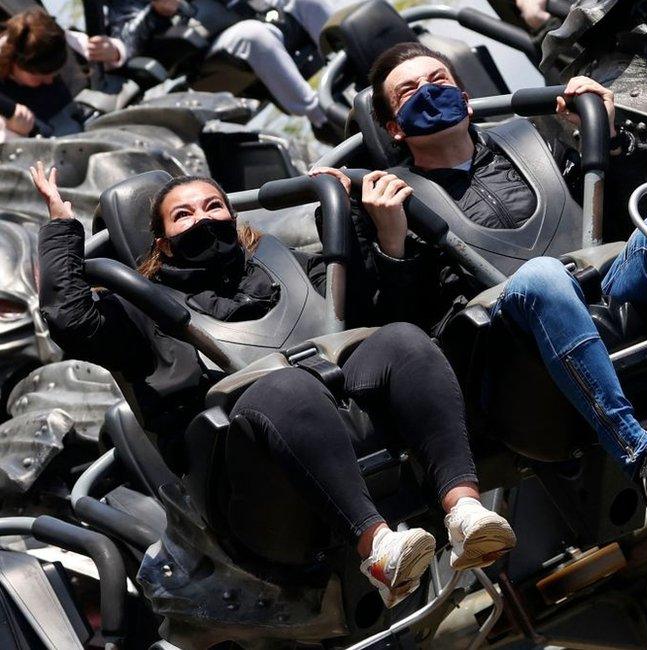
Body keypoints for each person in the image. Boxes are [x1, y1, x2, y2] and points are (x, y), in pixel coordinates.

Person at [324, 42, 647, 526]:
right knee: (542, 276)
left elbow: (613, 217)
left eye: (438, 82)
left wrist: (603, 135)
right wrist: (391, 242)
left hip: (595, 290)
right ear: (393, 127)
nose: (429, 94)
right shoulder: (385, 201)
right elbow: (399, 336)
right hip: (501, 350)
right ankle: (642, 459)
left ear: (466, 97)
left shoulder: (535, 141)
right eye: (409, 92)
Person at [32, 162, 515, 607]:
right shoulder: (140, 309)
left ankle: (465, 511)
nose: (202, 219)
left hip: (342, 414)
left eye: (213, 206)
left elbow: (363, 303)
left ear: (233, 216)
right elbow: (71, 320)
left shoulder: (284, 265)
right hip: (247, 479)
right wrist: (60, 230)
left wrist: (350, 213)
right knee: (285, 386)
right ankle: (379, 550)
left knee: (405, 341)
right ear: (161, 241)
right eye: (183, 215)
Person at [105, 0, 345, 134]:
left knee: (308, 3)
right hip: (204, 48)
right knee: (255, 35)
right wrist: (155, 12)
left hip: (252, 13)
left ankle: (362, 64)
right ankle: (324, 119)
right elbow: (126, 38)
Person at [0, 8, 126, 137]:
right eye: (40, 77)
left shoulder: (61, 40)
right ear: (13, 63)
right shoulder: (6, 108)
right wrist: (15, 131)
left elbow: (113, 54)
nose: (49, 81)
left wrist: (115, 51)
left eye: (54, 74)